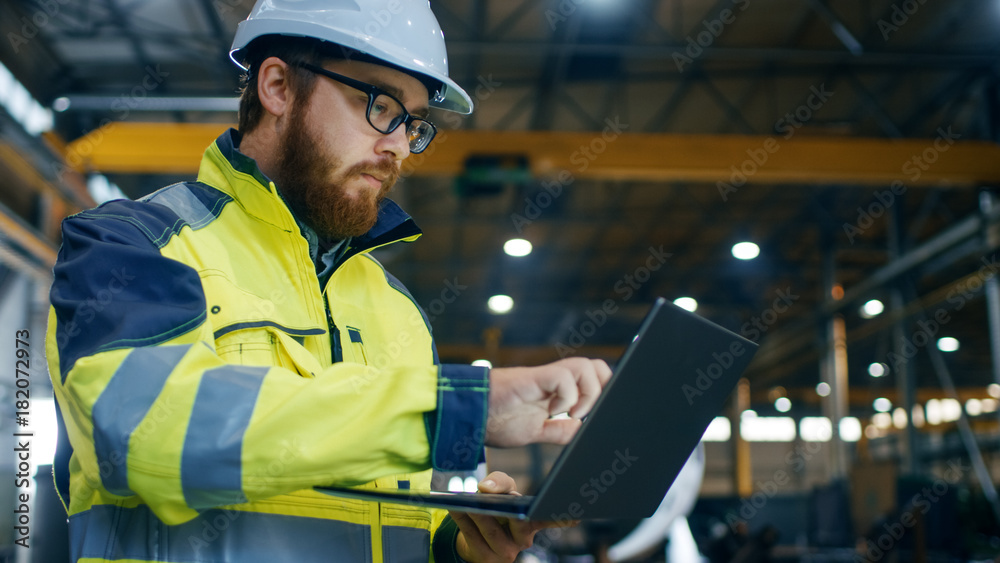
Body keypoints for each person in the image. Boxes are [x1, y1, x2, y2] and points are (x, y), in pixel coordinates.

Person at [45, 1, 612, 562]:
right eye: (381, 104)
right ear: (277, 87)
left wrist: (464, 545)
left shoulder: (397, 308)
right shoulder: (132, 246)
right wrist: (454, 411)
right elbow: (147, 435)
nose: (397, 145)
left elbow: (421, 513)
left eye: (413, 124)